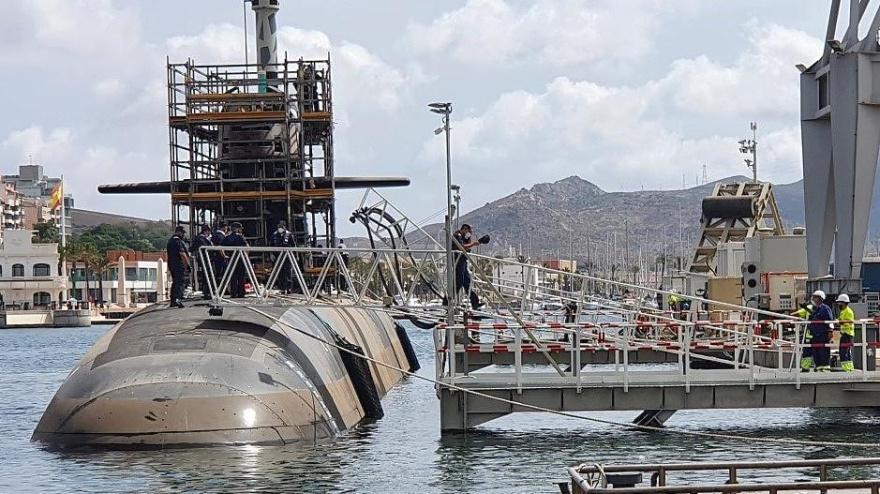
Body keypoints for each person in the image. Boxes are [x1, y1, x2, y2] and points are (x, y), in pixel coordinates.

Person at [451, 223, 489, 310]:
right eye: (469, 231)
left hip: (463, 260)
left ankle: (475, 303)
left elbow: (467, 248)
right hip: (457, 260)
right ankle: (448, 301)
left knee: (467, 282)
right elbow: (462, 247)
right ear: (464, 229)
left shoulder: (465, 237)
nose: (470, 233)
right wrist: (473, 243)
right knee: (459, 282)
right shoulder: (457, 235)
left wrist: (469, 240)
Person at [808, 290, 834, 372]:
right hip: (815, 336)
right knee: (816, 354)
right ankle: (819, 370)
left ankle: (825, 371)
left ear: (820, 299)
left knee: (824, 353)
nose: (813, 299)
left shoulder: (825, 308)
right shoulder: (815, 309)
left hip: (823, 336)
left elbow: (830, 321)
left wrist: (830, 331)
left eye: (815, 297)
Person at [221, 222, 249, 298]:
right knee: (241, 276)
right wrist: (246, 256)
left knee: (232, 276)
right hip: (240, 258)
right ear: (236, 229)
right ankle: (241, 293)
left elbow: (221, 247)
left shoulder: (227, 237)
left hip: (231, 258)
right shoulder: (240, 237)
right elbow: (247, 247)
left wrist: (224, 256)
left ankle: (233, 293)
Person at [166, 226, 190, 308]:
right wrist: (188, 265)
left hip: (172, 265)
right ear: (178, 232)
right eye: (182, 233)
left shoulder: (170, 241)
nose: (183, 235)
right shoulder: (178, 241)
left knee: (175, 282)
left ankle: (173, 300)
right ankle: (178, 299)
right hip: (179, 265)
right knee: (180, 283)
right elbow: (182, 254)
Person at [269, 221, 295, 293]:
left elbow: (293, 245)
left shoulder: (288, 234)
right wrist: (271, 254)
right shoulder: (274, 235)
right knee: (280, 273)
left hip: (287, 257)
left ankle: (288, 288)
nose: (280, 228)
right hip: (277, 257)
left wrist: (294, 255)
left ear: (284, 227)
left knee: (288, 273)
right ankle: (282, 288)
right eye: (279, 226)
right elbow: (270, 245)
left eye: (281, 226)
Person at [189, 225, 214, 298]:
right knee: (207, 276)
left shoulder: (202, 238)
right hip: (205, 259)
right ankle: (207, 292)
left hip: (206, 259)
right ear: (206, 231)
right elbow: (195, 247)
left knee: (207, 276)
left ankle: (208, 292)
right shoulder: (201, 239)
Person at [791, 302, 814, 371]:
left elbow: (794, 315)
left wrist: (800, 319)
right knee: (819, 350)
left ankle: (805, 368)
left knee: (807, 351)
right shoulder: (824, 308)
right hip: (819, 334)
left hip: (809, 335)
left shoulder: (809, 307)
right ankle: (819, 369)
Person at [836, 293, 856, 372]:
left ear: (844, 303)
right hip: (845, 334)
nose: (838, 304)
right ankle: (849, 368)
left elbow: (849, 321)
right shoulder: (843, 311)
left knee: (843, 351)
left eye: (839, 302)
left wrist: (839, 322)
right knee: (846, 351)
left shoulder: (848, 311)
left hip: (847, 334)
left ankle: (847, 369)